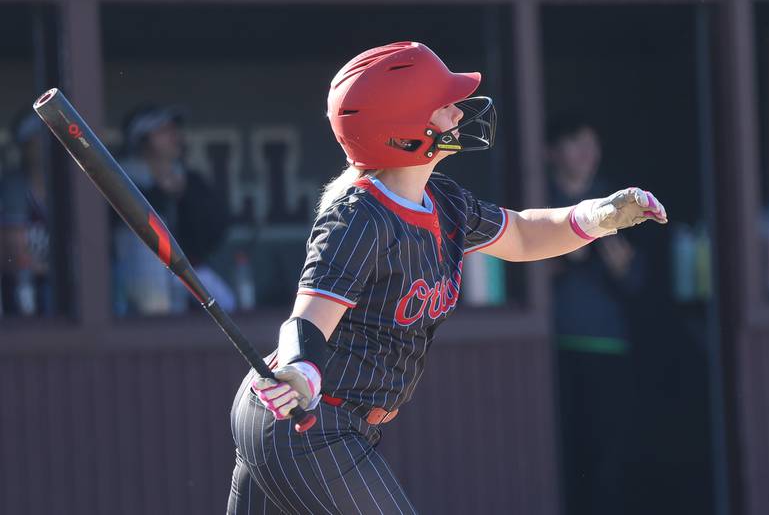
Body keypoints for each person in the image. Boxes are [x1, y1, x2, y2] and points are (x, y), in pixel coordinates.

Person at [227, 41, 668, 514]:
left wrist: (597, 217)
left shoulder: (443, 199)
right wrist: (299, 370)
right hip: (305, 418)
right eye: (442, 106)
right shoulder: (358, 216)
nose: (458, 114)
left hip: (328, 421)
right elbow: (307, 320)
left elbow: (520, 234)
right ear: (402, 131)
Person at [546, 116, 646, 515]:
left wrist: (623, 269)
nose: (588, 153)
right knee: (559, 452)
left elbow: (639, 282)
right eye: (575, 142)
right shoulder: (538, 201)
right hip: (551, 347)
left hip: (607, 345)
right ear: (549, 151)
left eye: (593, 143)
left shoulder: (618, 204)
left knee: (605, 456)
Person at [113, 105, 235, 315]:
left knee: (226, 302)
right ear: (142, 139)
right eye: (163, 131)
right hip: (136, 276)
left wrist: (183, 195)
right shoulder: (122, 180)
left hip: (185, 272)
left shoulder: (189, 180)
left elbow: (215, 228)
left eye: (173, 130)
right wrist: (160, 192)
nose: (174, 137)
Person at [0, 111, 51, 316]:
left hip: (61, 289)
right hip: (22, 290)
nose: (49, 142)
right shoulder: (13, 188)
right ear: (25, 144)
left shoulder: (70, 188)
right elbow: (17, 255)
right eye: (40, 136)